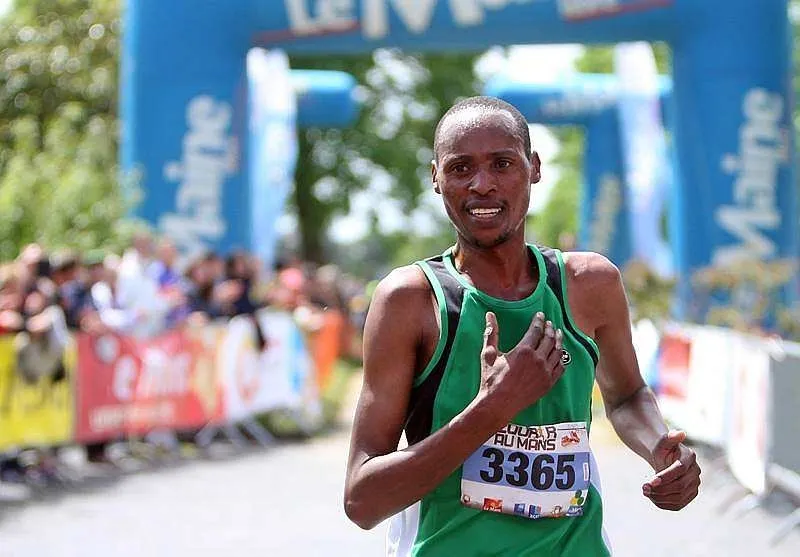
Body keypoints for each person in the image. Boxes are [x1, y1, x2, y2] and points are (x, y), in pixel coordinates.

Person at [343, 96, 701, 556]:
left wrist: (660, 449)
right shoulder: (411, 301)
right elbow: (362, 500)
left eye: (502, 163)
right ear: (435, 178)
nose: (482, 184)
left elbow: (627, 395)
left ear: (534, 167)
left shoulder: (589, 284)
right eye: (460, 168)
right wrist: (492, 410)